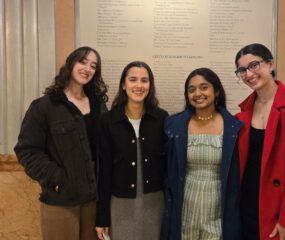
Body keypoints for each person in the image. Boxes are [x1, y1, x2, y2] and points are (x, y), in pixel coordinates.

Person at [14, 46, 108, 240]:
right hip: (61, 201)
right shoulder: (45, 106)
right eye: (83, 61)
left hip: (93, 200)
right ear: (71, 63)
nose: (87, 68)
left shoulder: (99, 105)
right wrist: (58, 180)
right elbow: (27, 151)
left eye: (93, 66)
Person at [234, 43, 285, 240]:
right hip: (249, 203)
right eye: (242, 70)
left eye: (254, 65)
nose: (248, 74)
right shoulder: (242, 114)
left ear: (270, 64)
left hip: (281, 207)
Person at [161, 68, 243, 240]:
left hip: (218, 209)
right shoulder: (173, 126)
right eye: (191, 90)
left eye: (204, 87)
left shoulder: (234, 128)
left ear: (217, 91)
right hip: (184, 208)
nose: (198, 93)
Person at [95, 61, 169, 240]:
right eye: (133, 80)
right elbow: (103, 171)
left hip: (155, 203)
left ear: (150, 86)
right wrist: (102, 216)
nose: (139, 85)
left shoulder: (161, 118)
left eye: (144, 80)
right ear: (123, 84)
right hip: (120, 204)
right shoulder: (108, 121)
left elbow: (168, 167)